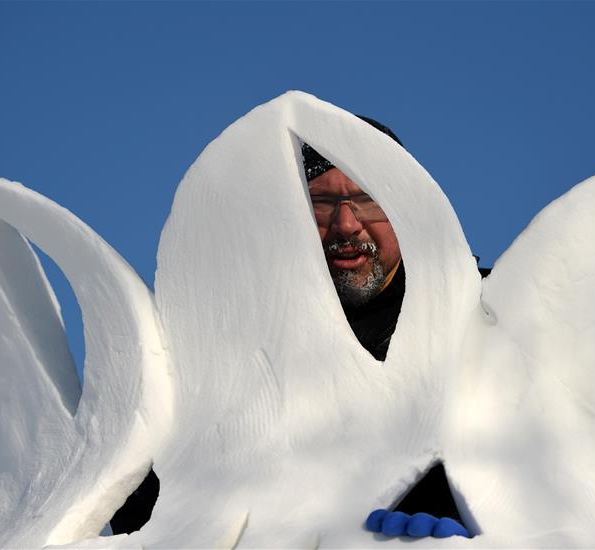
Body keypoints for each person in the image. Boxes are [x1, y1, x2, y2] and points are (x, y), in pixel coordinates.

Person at [110, 117, 482, 537]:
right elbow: (151, 503)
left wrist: (470, 516)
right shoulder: (215, 348)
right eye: (319, 203)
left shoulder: (491, 318)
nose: (345, 224)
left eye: (368, 197)